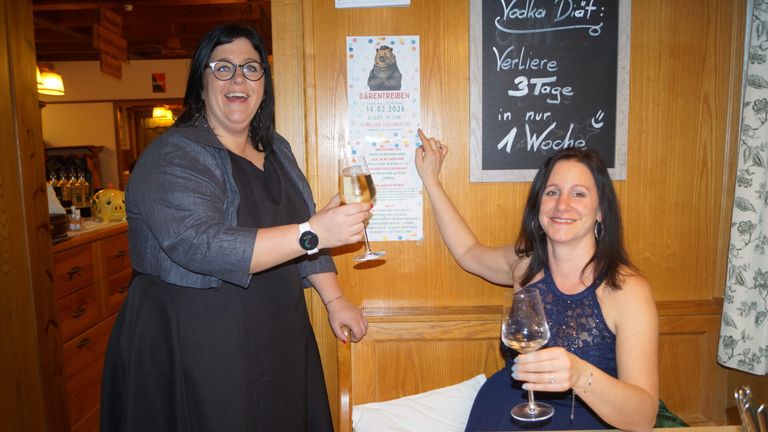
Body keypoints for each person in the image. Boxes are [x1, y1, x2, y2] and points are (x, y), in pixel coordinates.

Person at [100, 23, 371, 432]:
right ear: (201, 81)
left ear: (264, 82)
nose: (238, 78)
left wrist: (334, 299)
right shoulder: (173, 154)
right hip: (194, 339)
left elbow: (303, 231)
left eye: (250, 67)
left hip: (277, 330)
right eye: (222, 68)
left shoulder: (277, 148)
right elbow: (198, 243)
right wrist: (312, 231)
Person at [415, 130, 659, 431]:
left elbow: (644, 417)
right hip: (504, 411)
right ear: (539, 204)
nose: (562, 205)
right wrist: (431, 180)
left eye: (579, 194)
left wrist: (580, 376)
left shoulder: (627, 290)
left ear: (600, 211)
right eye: (552, 192)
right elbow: (468, 252)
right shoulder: (524, 264)